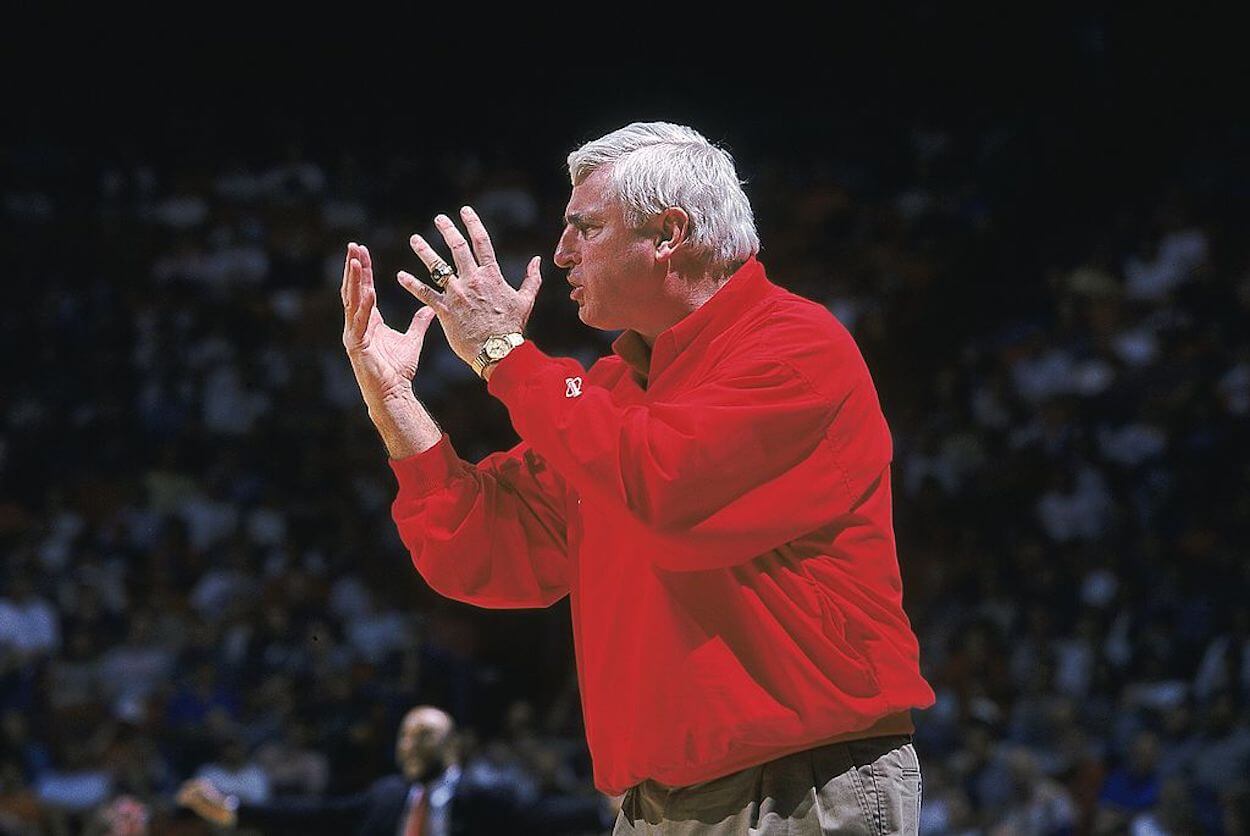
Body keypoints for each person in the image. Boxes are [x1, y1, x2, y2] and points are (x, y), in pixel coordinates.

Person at [342, 121, 937, 834]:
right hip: (653, 804)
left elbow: (665, 493)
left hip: (803, 786)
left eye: (584, 228)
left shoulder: (796, 350)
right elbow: (484, 546)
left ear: (668, 234)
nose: (560, 252)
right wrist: (395, 403)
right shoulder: (618, 389)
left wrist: (504, 352)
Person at [176, 705, 520, 835]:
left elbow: (543, 818)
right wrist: (235, 811)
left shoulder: (484, 799)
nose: (411, 744)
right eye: (406, 736)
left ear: (452, 746)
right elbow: (316, 816)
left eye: (425, 735)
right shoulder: (385, 796)